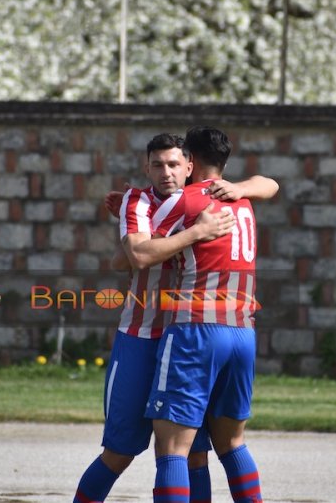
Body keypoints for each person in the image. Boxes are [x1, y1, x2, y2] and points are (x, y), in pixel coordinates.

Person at [73, 133, 278, 503]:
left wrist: (236, 188)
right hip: (143, 334)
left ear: (189, 165)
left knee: (191, 453)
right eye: (157, 165)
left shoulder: (201, 198)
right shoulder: (140, 201)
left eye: (173, 164)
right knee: (120, 452)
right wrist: (192, 230)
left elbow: (267, 183)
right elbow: (129, 258)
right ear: (146, 167)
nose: (166, 172)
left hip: (188, 336)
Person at [123, 126, 266, 503]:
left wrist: (123, 206)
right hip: (243, 331)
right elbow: (270, 184)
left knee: (172, 449)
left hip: (197, 329)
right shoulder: (243, 201)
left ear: (191, 161)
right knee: (233, 443)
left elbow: (140, 250)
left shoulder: (186, 201)